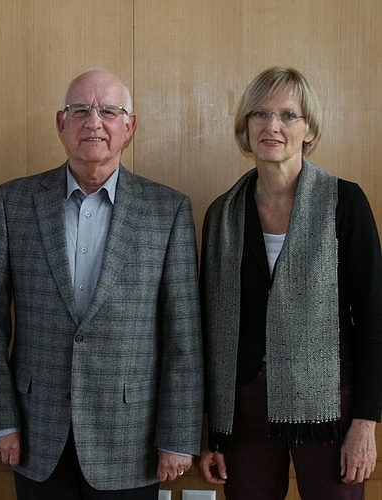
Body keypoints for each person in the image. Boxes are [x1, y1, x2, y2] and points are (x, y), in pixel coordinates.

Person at [0, 69, 203, 499]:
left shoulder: (167, 211)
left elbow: (182, 337)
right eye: (80, 110)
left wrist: (178, 436)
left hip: (131, 441)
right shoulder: (15, 201)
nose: (93, 122)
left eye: (109, 111)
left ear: (129, 126)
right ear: (61, 123)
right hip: (35, 435)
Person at [197, 66, 382, 499]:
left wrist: (365, 423)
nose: (272, 126)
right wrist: (209, 429)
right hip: (242, 412)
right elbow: (207, 330)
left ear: (309, 129)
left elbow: (374, 319)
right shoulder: (221, 214)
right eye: (260, 114)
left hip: (328, 406)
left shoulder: (345, 203)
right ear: (246, 128)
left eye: (287, 115)